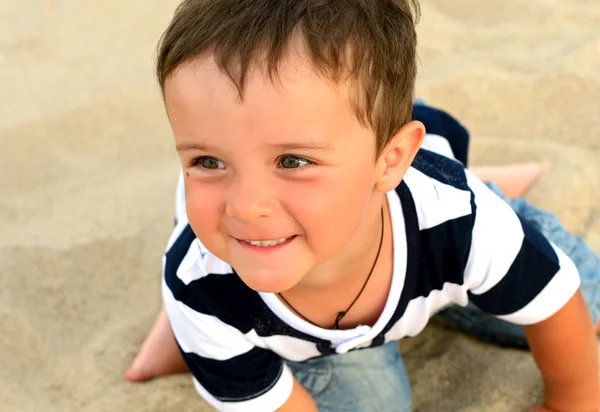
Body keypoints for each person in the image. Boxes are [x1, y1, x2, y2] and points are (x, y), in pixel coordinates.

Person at [125, 0, 600, 410]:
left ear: (390, 160)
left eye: (292, 161)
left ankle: (481, 182)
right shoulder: (201, 285)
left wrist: (572, 403)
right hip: (286, 272)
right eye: (207, 160)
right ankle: (176, 328)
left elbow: (553, 301)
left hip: (424, 195)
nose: (246, 205)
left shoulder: (459, 219)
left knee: (585, 301)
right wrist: (189, 315)